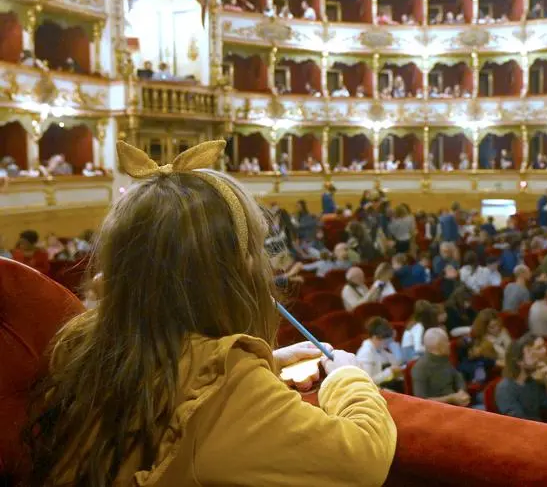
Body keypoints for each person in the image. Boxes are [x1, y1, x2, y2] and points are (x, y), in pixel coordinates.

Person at [26, 139, 396, 486]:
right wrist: (349, 376)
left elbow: (183, 379)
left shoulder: (83, 338)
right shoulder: (229, 388)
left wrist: (267, 364)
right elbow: (364, 458)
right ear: (230, 273)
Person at [495, 334, 547, 421]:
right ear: (519, 361)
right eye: (529, 352)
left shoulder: (532, 382)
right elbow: (519, 423)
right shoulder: (505, 389)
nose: (535, 356)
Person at [411, 328, 470, 406]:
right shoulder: (420, 368)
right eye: (446, 342)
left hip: (455, 406)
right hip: (437, 411)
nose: (449, 344)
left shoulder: (443, 358)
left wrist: (461, 391)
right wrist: (451, 398)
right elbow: (422, 401)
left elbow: (458, 377)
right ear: (438, 346)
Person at [356, 316, 404, 390]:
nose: (386, 343)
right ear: (375, 337)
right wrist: (390, 371)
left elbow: (397, 361)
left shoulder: (379, 348)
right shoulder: (366, 353)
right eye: (384, 340)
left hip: (387, 385)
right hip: (376, 390)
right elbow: (369, 381)